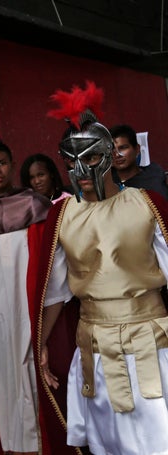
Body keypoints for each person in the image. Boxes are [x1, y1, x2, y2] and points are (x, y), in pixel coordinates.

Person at [40, 82, 168, 454]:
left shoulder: (147, 203)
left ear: (110, 154)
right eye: (70, 163)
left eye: (91, 159)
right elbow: (56, 290)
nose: (80, 170)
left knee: (158, 436)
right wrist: (43, 343)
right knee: (108, 441)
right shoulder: (62, 214)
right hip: (93, 346)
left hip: (152, 340)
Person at [0, 139, 72, 454]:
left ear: (10, 163)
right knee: (3, 380)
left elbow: (54, 267)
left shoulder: (35, 206)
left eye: (2, 163)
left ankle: (44, 445)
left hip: (31, 309)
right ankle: (14, 448)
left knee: (34, 374)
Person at [110, 123, 168, 199]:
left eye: (123, 148)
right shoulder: (106, 184)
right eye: (111, 150)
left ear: (137, 149)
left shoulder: (154, 173)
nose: (117, 155)